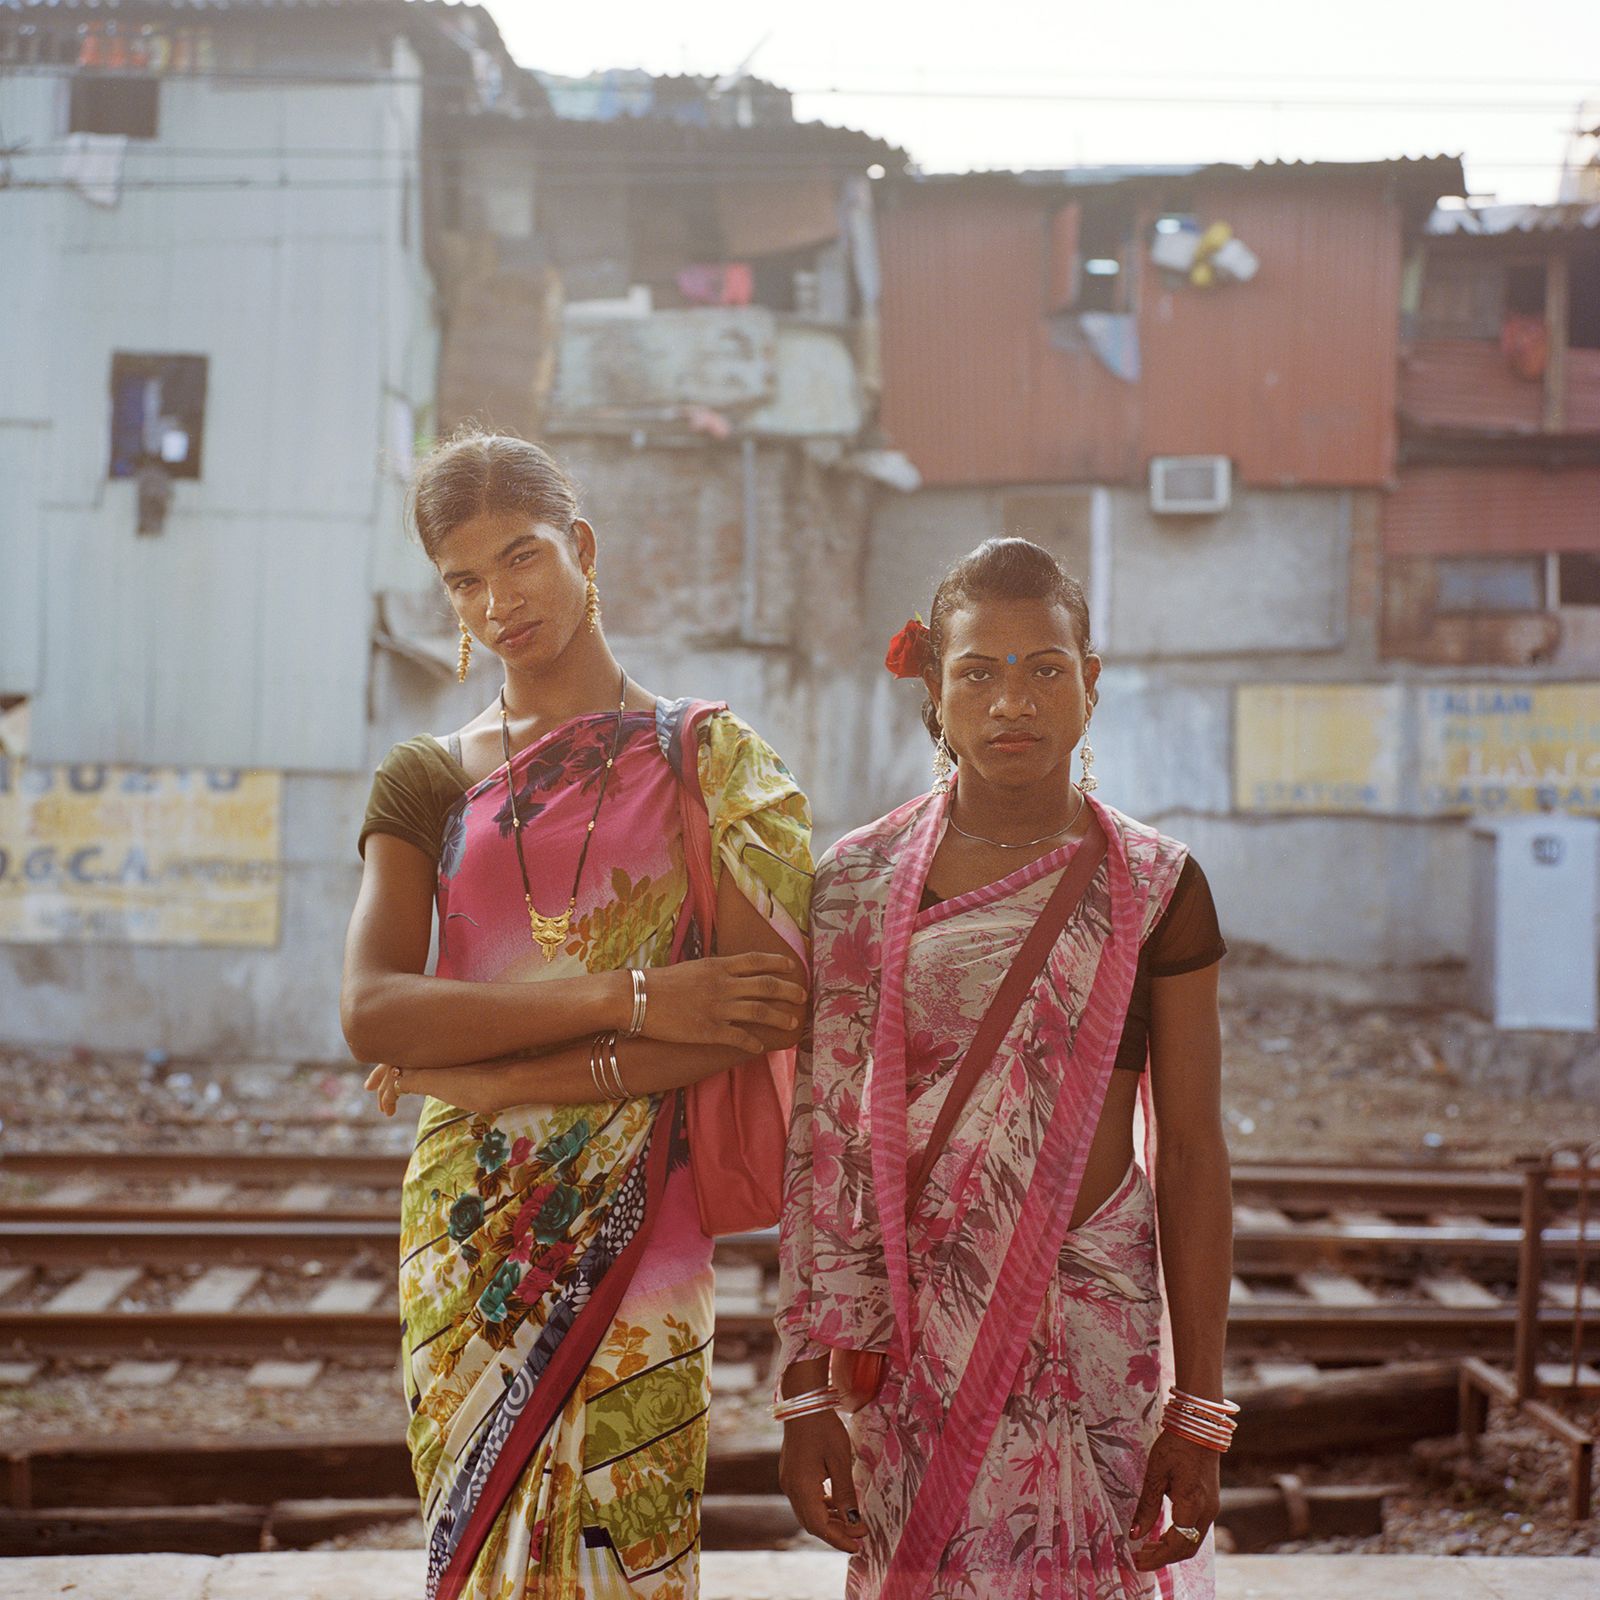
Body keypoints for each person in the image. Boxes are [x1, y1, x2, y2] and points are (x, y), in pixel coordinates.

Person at [341, 430, 813, 1600]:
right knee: (479, 1549)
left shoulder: (708, 760)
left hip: (646, 1219)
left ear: (581, 548)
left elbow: (762, 1008)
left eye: (522, 556)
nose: (499, 600)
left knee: (631, 1544)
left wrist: (492, 1062)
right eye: (462, 578)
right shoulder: (428, 779)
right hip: (469, 1228)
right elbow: (373, 1011)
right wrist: (640, 1000)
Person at [775, 538, 1232, 1600]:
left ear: (1090, 686)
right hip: (907, 1352)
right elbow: (828, 1149)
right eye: (978, 670)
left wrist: (1198, 1404)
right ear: (933, 691)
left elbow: (1195, 1148)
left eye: (1044, 667)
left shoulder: (1158, 886)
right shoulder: (852, 886)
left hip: (1092, 1340)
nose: (1011, 699)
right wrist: (804, 1397)